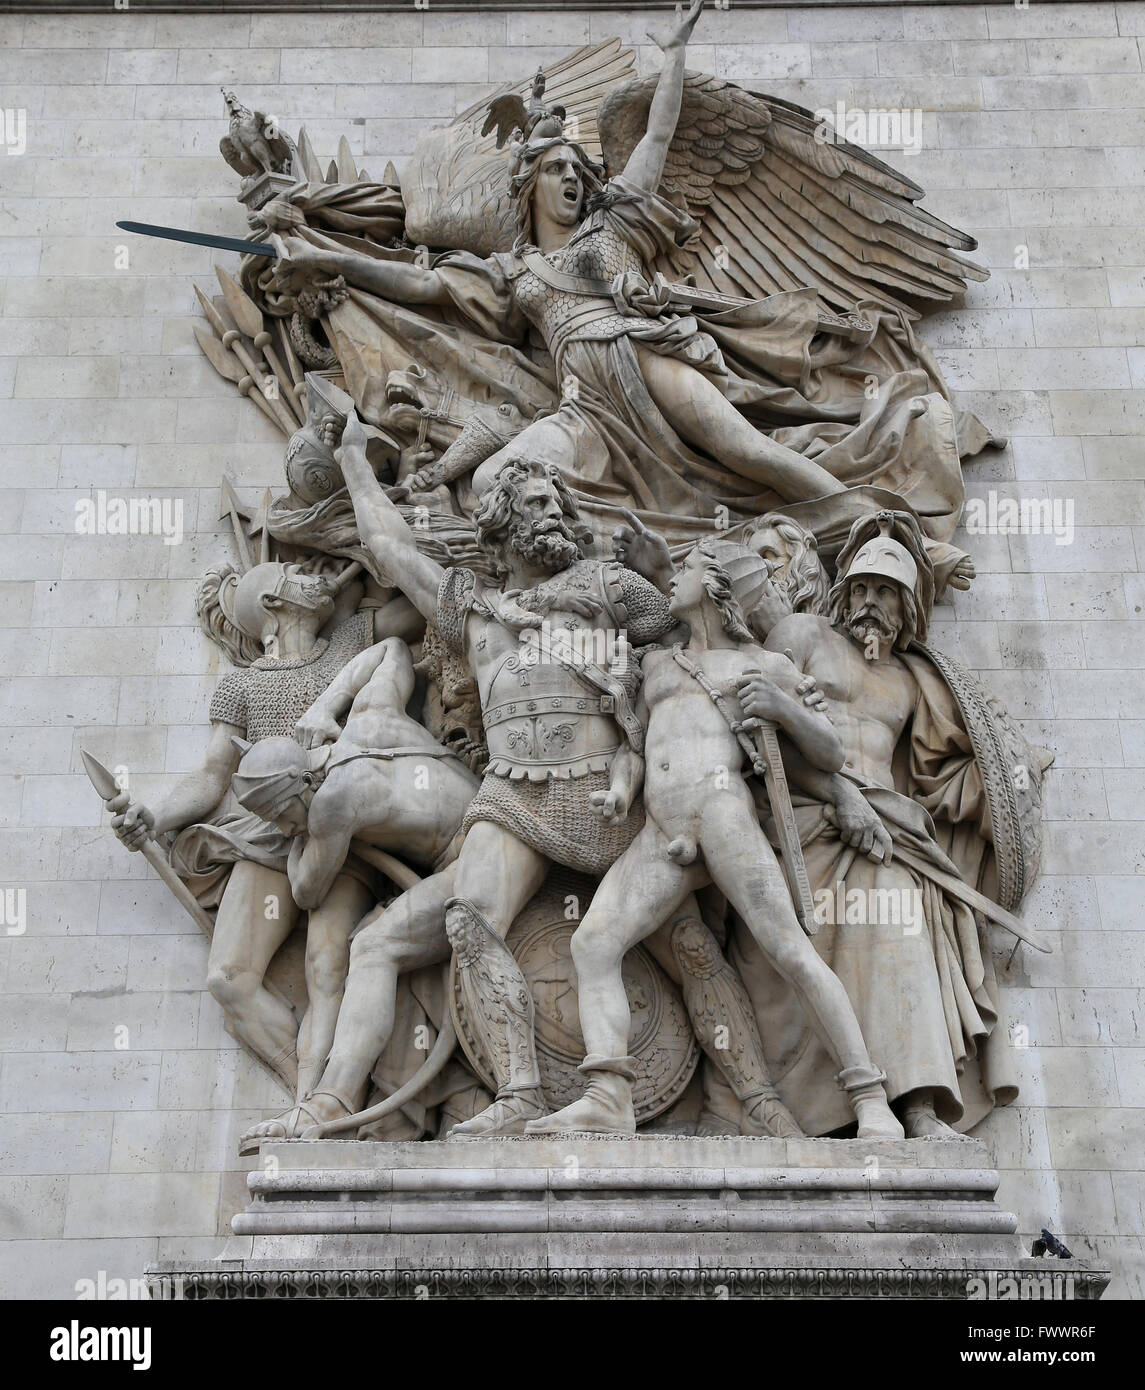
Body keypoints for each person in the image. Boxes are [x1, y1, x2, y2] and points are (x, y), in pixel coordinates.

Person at [526, 540, 903, 1139]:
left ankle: (870, 1099)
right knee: (593, 943)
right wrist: (621, 792)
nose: (673, 579)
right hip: (662, 830)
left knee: (791, 952)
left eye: (687, 568)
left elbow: (829, 752)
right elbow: (635, 749)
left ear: (719, 583)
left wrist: (783, 705)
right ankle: (609, 1094)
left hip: (723, 815)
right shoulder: (655, 666)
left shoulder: (764, 667)